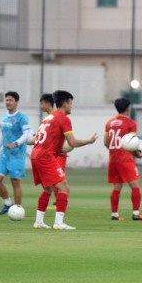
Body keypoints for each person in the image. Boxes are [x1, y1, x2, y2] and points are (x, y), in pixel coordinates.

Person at [31, 90, 98, 230]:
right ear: (66, 103)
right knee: (64, 188)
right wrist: (89, 141)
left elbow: (45, 137)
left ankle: (39, 222)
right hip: (45, 156)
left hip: (36, 154)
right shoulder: (63, 118)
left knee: (48, 188)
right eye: (71, 103)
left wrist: (57, 149)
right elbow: (72, 142)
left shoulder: (49, 117)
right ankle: (59, 223)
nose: (71, 107)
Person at [104, 98, 142, 221]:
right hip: (125, 159)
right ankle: (136, 213)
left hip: (113, 159)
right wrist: (137, 154)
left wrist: (114, 151)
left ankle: (114, 214)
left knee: (116, 188)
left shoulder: (109, 123)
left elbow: (106, 142)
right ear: (128, 108)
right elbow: (132, 143)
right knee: (135, 186)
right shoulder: (130, 123)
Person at [0, 91, 32, 215]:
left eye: (10, 100)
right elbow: (3, 133)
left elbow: (27, 134)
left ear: (16, 102)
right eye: (7, 100)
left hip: (17, 155)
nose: (8, 102)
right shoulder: (5, 116)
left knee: (15, 182)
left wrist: (15, 143)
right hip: (4, 154)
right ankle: (8, 203)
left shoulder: (22, 117)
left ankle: (18, 209)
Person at [39, 93, 68, 203]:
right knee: (55, 185)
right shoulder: (49, 118)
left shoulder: (55, 117)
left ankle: (57, 202)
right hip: (48, 155)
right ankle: (58, 206)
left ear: (48, 103)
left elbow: (65, 137)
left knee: (57, 183)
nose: (41, 106)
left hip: (55, 154)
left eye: (42, 103)